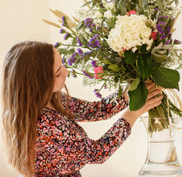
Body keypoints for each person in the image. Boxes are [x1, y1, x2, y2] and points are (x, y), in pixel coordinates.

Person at [1, 41, 163, 177]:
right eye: (58, 73)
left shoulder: (49, 99)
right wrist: (133, 113)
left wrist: (128, 95)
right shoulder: (46, 125)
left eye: (62, 64)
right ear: (38, 83)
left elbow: (97, 110)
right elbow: (98, 152)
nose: (66, 71)